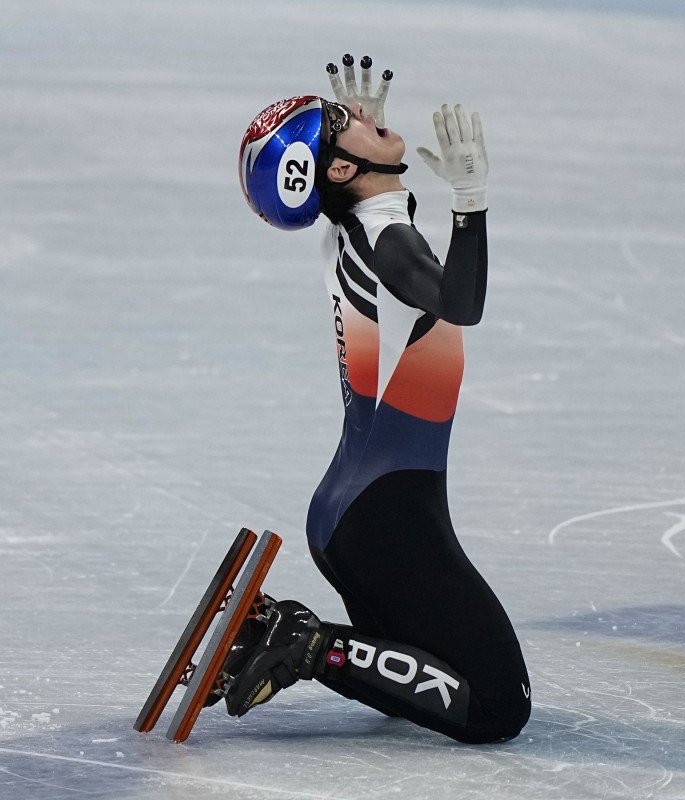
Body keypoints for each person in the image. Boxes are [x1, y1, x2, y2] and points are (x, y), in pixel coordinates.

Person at [224, 55, 530, 745]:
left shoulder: (350, 226)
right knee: (497, 708)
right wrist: (471, 200)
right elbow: (460, 301)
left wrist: (364, 148)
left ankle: (301, 638)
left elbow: (369, 207)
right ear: (334, 172)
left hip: (355, 513)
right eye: (341, 124)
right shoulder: (387, 240)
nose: (358, 114)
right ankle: (304, 642)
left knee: (420, 681)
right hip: (388, 521)